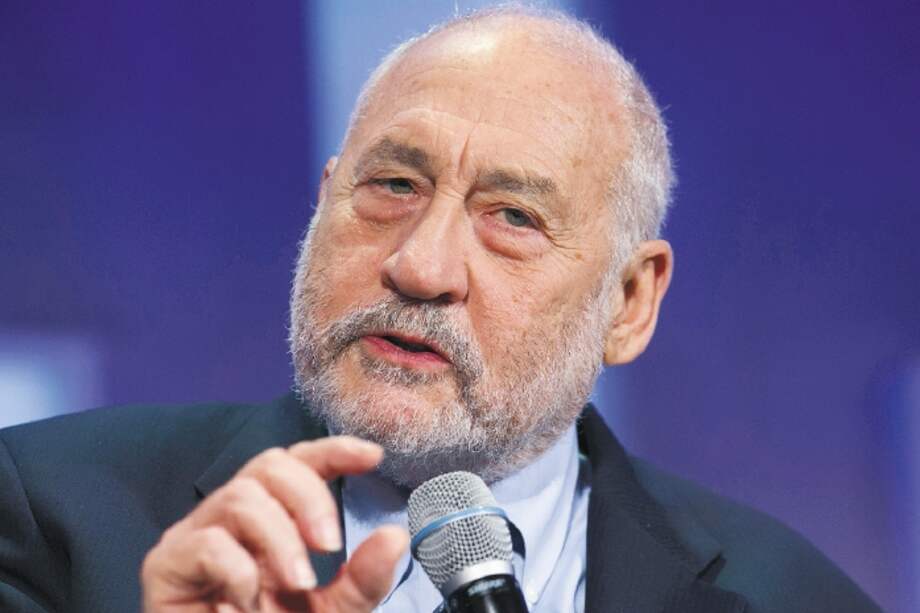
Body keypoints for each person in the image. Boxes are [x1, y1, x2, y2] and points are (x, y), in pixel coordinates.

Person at [0, 6, 880, 613]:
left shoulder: (791, 598)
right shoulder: (52, 515)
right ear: (321, 207)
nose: (420, 267)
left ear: (629, 301)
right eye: (391, 185)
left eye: (513, 217)